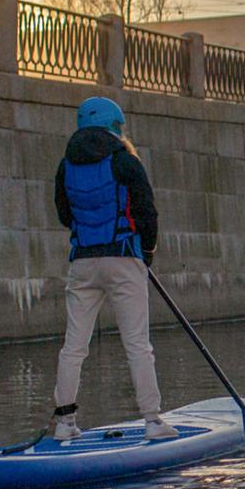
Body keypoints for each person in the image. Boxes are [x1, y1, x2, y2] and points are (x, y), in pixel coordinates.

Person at [50, 96, 172, 440]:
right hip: (123, 259)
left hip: (83, 263)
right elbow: (147, 213)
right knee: (137, 344)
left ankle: (64, 424)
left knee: (74, 346)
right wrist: (146, 253)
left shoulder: (66, 165)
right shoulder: (125, 161)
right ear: (115, 126)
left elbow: (64, 214)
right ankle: (152, 421)